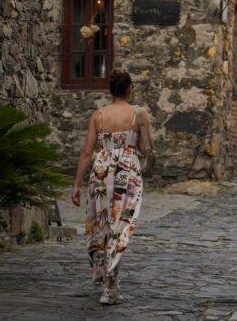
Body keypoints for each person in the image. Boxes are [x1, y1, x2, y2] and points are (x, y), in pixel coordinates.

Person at [71, 68, 153, 305]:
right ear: (129, 89)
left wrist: (76, 184)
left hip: (101, 171)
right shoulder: (139, 113)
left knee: (103, 223)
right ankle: (109, 286)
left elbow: (86, 152)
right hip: (126, 173)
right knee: (121, 224)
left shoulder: (98, 115)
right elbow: (146, 149)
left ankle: (108, 281)